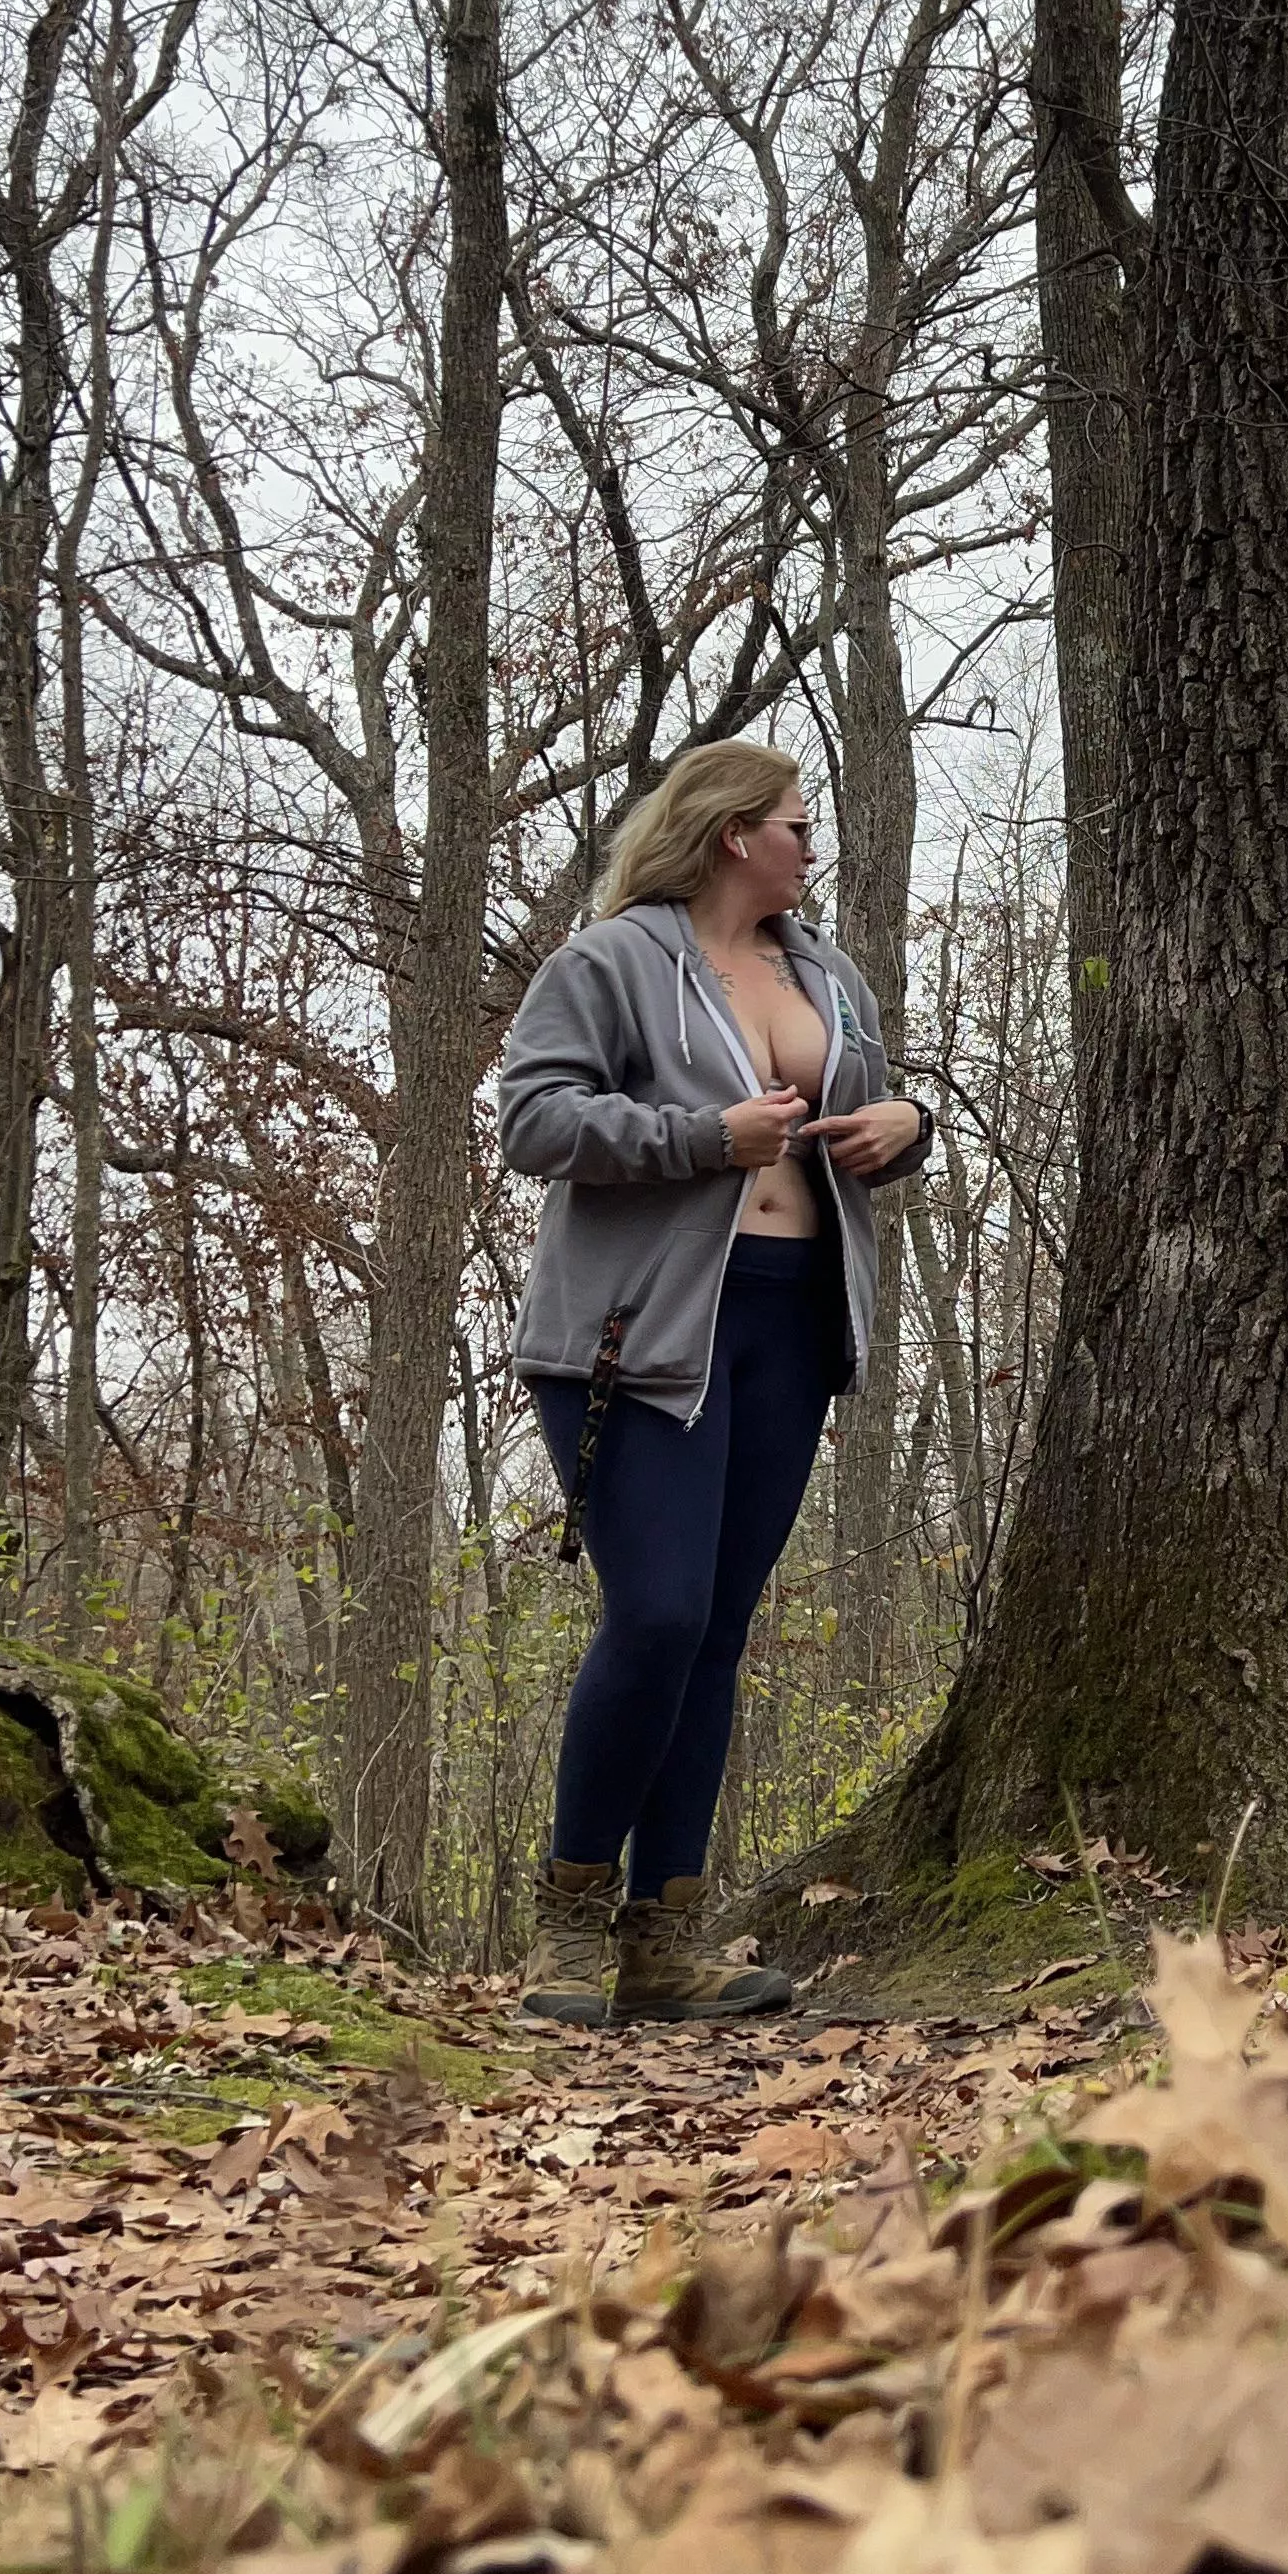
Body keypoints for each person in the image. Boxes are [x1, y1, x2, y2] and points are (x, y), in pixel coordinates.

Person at [497, 742, 930, 2027]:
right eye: (801, 826)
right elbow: (534, 1119)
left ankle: (667, 1932)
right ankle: (569, 1922)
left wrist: (904, 1124)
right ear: (736, 833)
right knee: (661, 1618)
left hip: (791, 1323)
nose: (815, 847)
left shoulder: (826, 974)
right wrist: (701, 1138)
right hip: (637, 1337)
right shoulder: (611, 962)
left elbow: (877, 1104)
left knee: (721, 1635)